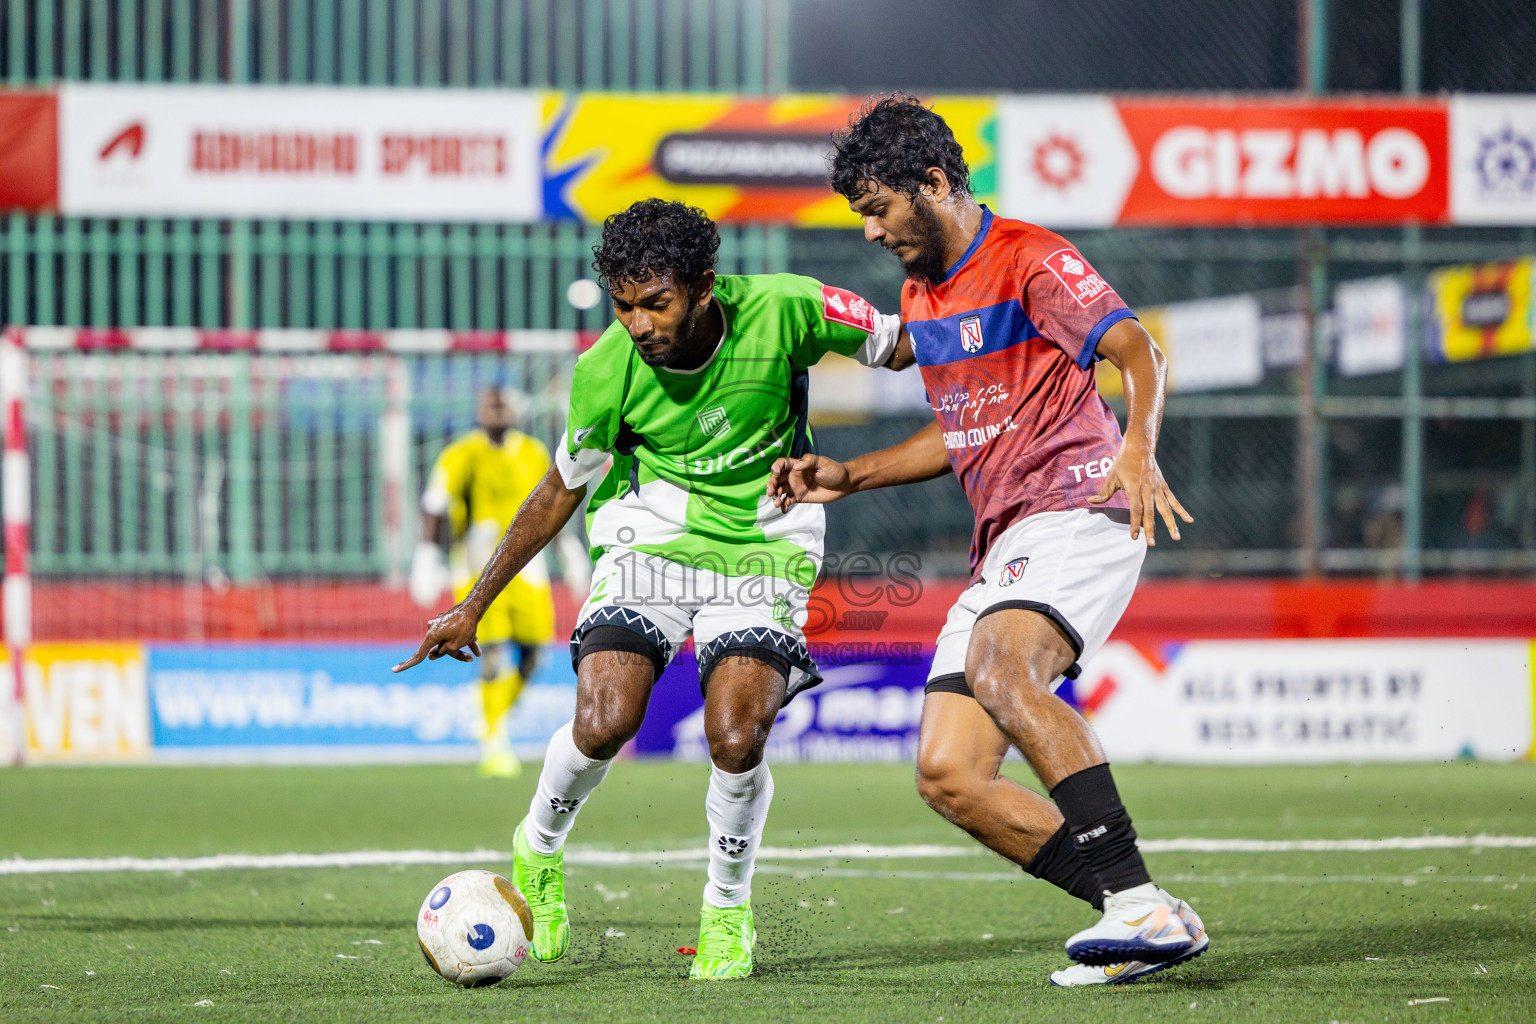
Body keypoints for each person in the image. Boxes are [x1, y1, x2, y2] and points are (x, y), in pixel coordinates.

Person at [395, 198, 902, 979]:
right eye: (623, 305)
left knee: (736, 735)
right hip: (650, 536)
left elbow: (902, 345)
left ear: (703, 286)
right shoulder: (605, 370)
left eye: (655, 303)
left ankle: (726, 910)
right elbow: (559, 490)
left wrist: (1008, 348)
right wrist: (473, 606)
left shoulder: (786, 309)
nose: (637, 324)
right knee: (606, 721)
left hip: (767, 538)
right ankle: (538, 848)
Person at [769, 95, 1204, 986]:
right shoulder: (921, 293)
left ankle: (1138, 904)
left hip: (1080, 506)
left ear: (934, 183)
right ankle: (1143, 915)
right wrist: (851, 474)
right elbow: (961, 426)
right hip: (1006, 541)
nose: (871, 232)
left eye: (879, 208)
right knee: (950, 774)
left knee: (1005, 673)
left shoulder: (1030, 258)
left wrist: (1137, 446)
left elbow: (1139, 351)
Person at [410, 387, 587, 778]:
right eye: (489, 403)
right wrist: (427, 555)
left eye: (502, 403)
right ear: (478, 411)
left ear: (515, 411)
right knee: (491, 653)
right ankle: (493, 742)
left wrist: (569, 550)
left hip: (528, 570)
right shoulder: (461, 454)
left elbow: (551, 504)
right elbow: (435, 505)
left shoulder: (533, 452)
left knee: (534, 654)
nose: (496, 409)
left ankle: (494, 721)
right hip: (479, 569)